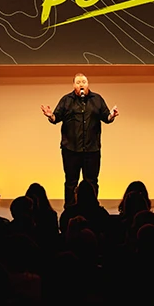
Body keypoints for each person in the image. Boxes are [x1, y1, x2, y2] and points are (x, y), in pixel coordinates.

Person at [41, 72, 118, 207]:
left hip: (92, 149)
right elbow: (56, 118)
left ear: (88, 84)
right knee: (71, 181)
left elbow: (106, 117)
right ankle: (70, 209)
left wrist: (112, 115)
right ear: (73, 85)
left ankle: (91, 207)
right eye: (78, 82)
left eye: (84, 82)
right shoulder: (66, 100)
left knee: (92, 181)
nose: (81, 84)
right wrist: (50, 116)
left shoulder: (97, 99)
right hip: (71, 149)